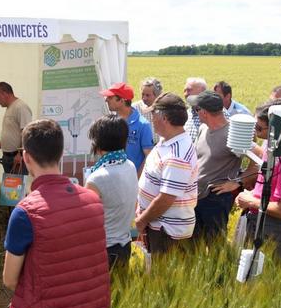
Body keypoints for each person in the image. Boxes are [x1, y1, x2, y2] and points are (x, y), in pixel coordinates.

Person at [2, 119, 110, 308]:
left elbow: (10, 279)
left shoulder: (25, 212)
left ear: (26, 157)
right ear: (61, 154)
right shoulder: (92, 199)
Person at [234, 100, 281, 264]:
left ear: (277, 128)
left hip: (278, 235)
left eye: (260, 128)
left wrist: (251, 201)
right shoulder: (271, 145)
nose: (256, 131)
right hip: (261, 226)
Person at [136, 92, 199, 254]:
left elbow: (167, 198)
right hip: (158, 226)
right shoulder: (168, 141)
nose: (152, 119)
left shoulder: (177, 154)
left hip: (168, 232)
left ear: (164, 118)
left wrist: (142, 220)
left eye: (153, 114)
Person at [187, 91, 244, 240]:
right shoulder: (203, 128)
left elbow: (258, 158)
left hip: (216, 199)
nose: (195, 113)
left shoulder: (232, 133)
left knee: (215, 246)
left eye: (196, 109)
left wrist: (238, 182)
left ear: (204, 112)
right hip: (196, 196)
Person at [85, 116, 138, 268]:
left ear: (98, 143)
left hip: (103, 249)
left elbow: (87, 219)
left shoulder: (97, 178)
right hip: (124, 244)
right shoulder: (130, 165)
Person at [101, 82, 153, 173]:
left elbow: (149, 157)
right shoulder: (110, 122)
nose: (106, 100)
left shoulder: (143, 125)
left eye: (110, 97)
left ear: (122, 100)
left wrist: (136, 178)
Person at [0, 81, 32, 174]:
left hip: (17, 157)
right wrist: (1, 143)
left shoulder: (21, 107)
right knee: (10, 188)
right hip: (8, 157)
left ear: (3, 93)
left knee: (17, 188)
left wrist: (20, 154)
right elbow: (13, 131)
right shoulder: (10, 107)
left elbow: (27, 133)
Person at [132, 77, 163, 142]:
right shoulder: (135, 108)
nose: (144, 98)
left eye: (147, 95)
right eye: (142, 94)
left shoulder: (165, 108)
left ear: (157, 95)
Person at [183, 77, 208, 143]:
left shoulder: (215, 112)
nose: (185, 94)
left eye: (189, 90)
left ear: (202, 92)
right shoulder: (186, 113)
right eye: (184, 91)